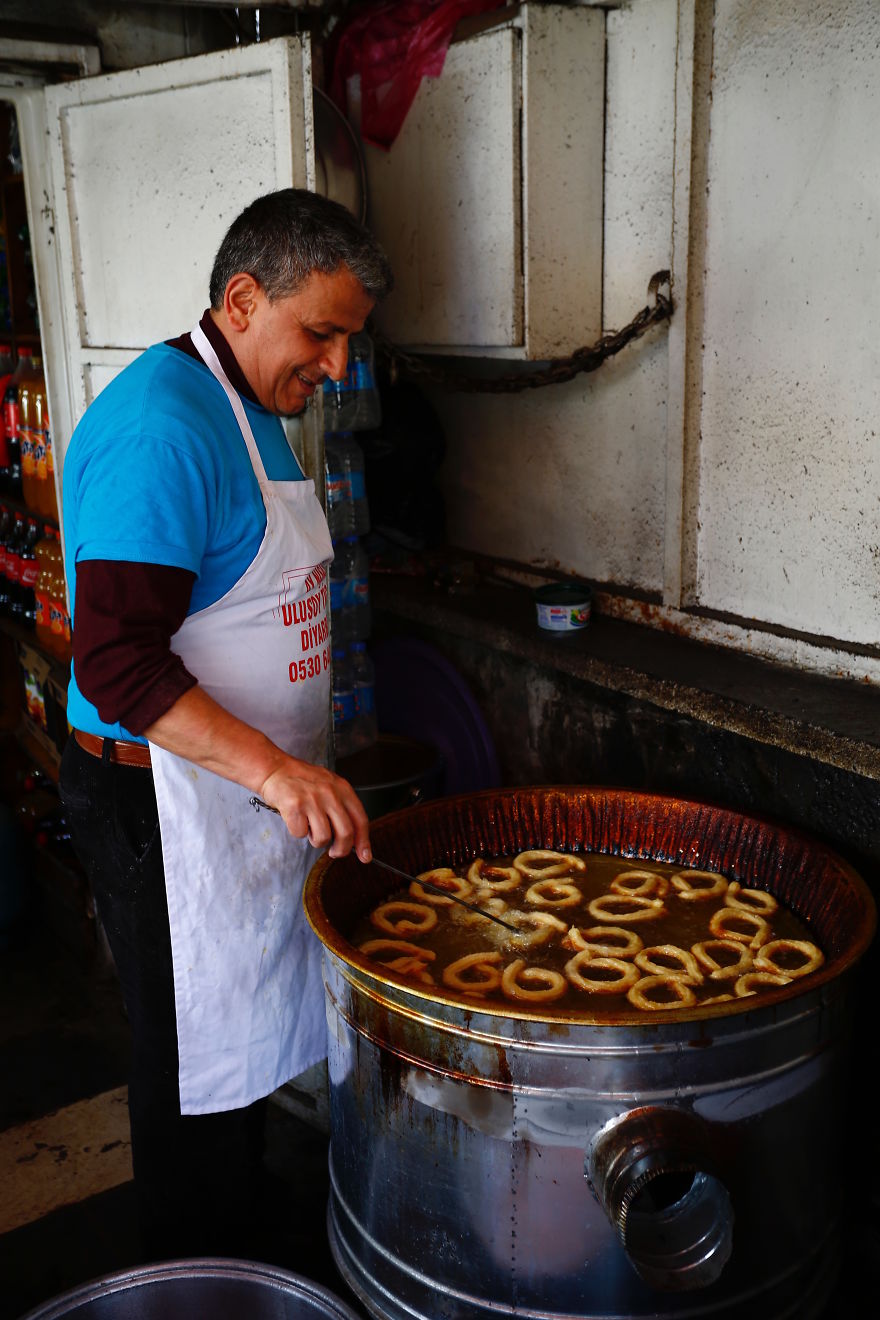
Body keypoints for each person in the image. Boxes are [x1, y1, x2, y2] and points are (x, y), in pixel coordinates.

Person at [58, 189, 393, 1260]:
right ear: (244, 299)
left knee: (237, 1037)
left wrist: (278, 772)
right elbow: (113, 661)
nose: (337, 366)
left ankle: (237, 1228)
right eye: (321, 333)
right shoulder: (165, 425)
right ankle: (194, 1271)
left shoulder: (253, 409)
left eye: (348, 340)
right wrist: (278, 773)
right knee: (190, 1059)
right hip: (156, 799)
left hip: (232, 790)